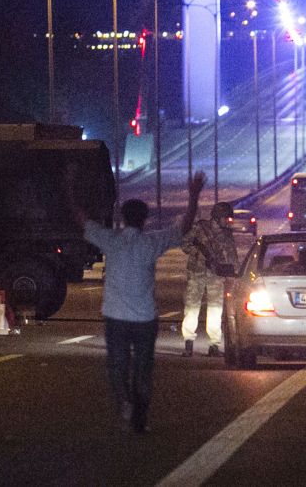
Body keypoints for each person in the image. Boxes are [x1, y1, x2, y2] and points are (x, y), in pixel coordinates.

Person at [79, 171, 205, 434]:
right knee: (143, 369)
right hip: (145, 318)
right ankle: (140, 420)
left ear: (122, 218)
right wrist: (193, 195)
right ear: (145, 219)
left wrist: (69, 187)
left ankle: (124, 402)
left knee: (117, 365)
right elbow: (184, 225)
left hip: (115, 317)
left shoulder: (111, 240)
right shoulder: (152, 241)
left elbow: (81, 221)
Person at [179, 201, 239, 357]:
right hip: (197, 272)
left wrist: (234, 272)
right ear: (218, 217)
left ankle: (214, 344)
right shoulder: (200, 229)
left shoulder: (226, 233)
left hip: (215, 275)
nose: (228, 221)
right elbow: (185, 244)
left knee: (215, 308)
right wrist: (201, 255)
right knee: (192, 307)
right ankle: (188, 343)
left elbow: (232, 255)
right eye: (226, 218)